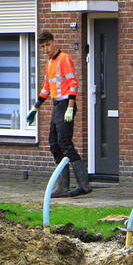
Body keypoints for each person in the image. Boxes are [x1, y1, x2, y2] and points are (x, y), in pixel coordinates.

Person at [26, 31, 91, 197]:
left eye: (47, 45)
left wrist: (70, 106)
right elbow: (47, 86)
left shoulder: (64, 59)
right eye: (42, 47)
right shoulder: (49, 62)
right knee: (54, 144)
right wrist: (36, 107)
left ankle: (83, 185)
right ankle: (63, 186)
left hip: (65, 104)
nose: (46, 49)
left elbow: (73, 83)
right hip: (57, 105)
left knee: (65, 143)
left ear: (54, 42)